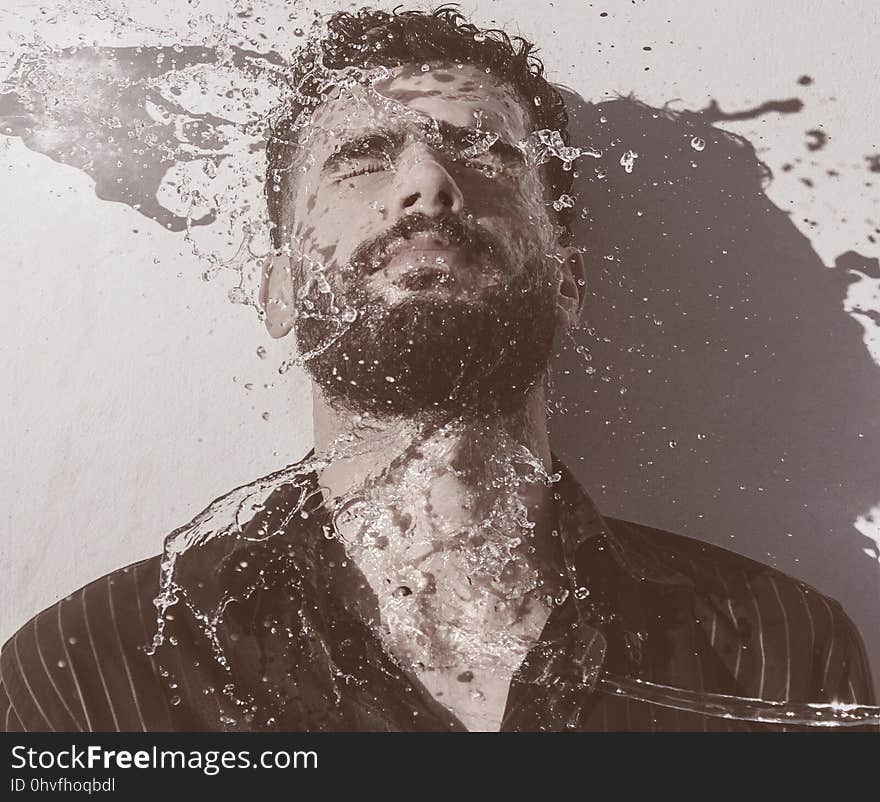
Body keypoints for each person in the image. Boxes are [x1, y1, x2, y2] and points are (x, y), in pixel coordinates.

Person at [1, 5, 875, 733]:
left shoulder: (778, 651)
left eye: (488, 154)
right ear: (278, 289)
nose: (427, 182)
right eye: (362, 158)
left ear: (567, 279)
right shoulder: (84, 680)